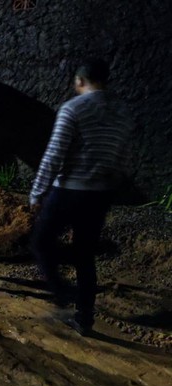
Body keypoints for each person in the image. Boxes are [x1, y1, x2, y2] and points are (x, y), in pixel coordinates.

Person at [30, 58, 134, 336]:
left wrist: (37, 192)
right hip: (100, 194)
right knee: (85, 255)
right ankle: (84, 318)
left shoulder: (73, 108)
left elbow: (54, 155)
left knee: (40, 241)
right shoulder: (122, 113)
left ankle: (63, 292)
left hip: (69, 190)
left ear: (80, 81)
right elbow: (124, 158)